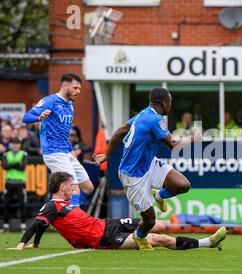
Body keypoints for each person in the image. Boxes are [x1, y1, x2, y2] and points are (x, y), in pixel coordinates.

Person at [9, 172, 226, 251]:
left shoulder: (61, 206)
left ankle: (155, 200)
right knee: (159, 238)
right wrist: (21, 245)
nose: (74, 187)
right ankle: (207, 243)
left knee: (157, 224)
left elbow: (43, 225)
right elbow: (37, 223)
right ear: (62, 187)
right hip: (104, 238)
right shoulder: (51, 206)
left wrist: (36, 244)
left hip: (107, 224)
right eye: (71, 184)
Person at [94, 88, 200, 250]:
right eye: (170, 102)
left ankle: (159, 195)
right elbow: (172, 145)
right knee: (150, 220)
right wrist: (192, 139)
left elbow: (119, 132)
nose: (170, 105)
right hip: (132, 175)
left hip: (149, 163)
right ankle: (139, 236)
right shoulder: (155, 119)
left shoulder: (143, 114)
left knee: (182, 185)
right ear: (164, 103)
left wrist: (107, 155)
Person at [22, 73, 95, 207]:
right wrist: (39, 117)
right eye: (75, 88)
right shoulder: (50, 101)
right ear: (64, 86)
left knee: (88, 187)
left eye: (79, 88)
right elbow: (26, 117)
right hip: (53, 152)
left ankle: (60, 209)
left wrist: (71, 150)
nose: (78, 91)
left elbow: (63, 133)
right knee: (74, 187)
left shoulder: (70, 105)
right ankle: (74, 220)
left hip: (66, 152)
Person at [2, 137, 28, 230]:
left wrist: (11, 164)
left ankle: (23, 225)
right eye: (13, 143)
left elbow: (23, 167)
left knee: (22, 204)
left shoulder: (24, 154)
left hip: (20, 182)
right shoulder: (6, 154)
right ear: (11, 145)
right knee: (6, 203)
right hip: (9, 182)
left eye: (17, 143)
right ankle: (5, 225)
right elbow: (5, 166)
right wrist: (17, 163)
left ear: (20, 145)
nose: (15, 145)